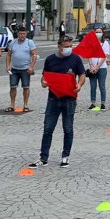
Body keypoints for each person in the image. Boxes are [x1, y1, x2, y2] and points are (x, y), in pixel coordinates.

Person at [28, 36, 86, 168]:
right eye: (66, 47)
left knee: (68, 128)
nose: (68, 49)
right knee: (48, 128)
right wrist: (43, 82)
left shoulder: (75, 59)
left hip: (70, 98)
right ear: (59, 47)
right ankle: (43, 157)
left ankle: (65, 156)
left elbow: (82, 74)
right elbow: (45, 77)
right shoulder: (50, 59)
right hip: (53, 98)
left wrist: (79, 84)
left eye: (70, 46)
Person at [6, 28, 37, 112]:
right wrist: (7, 65)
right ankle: (12, 104)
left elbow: (34, 55)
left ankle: (25, 105)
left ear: (26, 34)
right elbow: (9, 55)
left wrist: (31, 66)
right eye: (20, 33)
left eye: (24, 33)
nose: (22, 35)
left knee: (26, 87)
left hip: (25, 69)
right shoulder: (13, 42)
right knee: (13, 87)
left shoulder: (29, 42)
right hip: (14, 69)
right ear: (18, 34)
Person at [86, 28, 110, 110]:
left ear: (103, 33)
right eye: (96, 32)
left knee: (102, 86)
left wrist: (97, 66)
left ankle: (103, 103)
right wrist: (91, 65)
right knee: (93, 86)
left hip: (102, 67)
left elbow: (105, 56)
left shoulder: (105, 43)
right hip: (92, 68)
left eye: (99, 32)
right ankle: (93, 103)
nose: (98, 33)